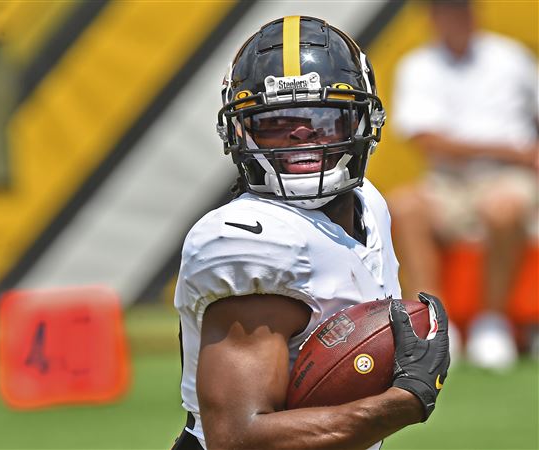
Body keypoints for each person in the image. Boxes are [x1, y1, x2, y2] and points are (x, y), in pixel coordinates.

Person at [172, 16, 450, 450]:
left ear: (364, 120)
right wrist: (403, 401)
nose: (303, 136)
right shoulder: (247, 239)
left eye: (324, 117)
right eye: (276, 122)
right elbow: (239, 438)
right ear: (240, 132)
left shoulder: (369, 203)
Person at [389, 0, 538, 371]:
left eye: (461, 8)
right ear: (433, 17)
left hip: (508, 177)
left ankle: (493, 321)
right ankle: (436, 325)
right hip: (447, 181)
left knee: (503, 207)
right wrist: (507, 149)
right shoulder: (418, 66)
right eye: (446, 9)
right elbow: (425, 138)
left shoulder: (511, 57)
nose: (455, 16)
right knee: (403, 205)